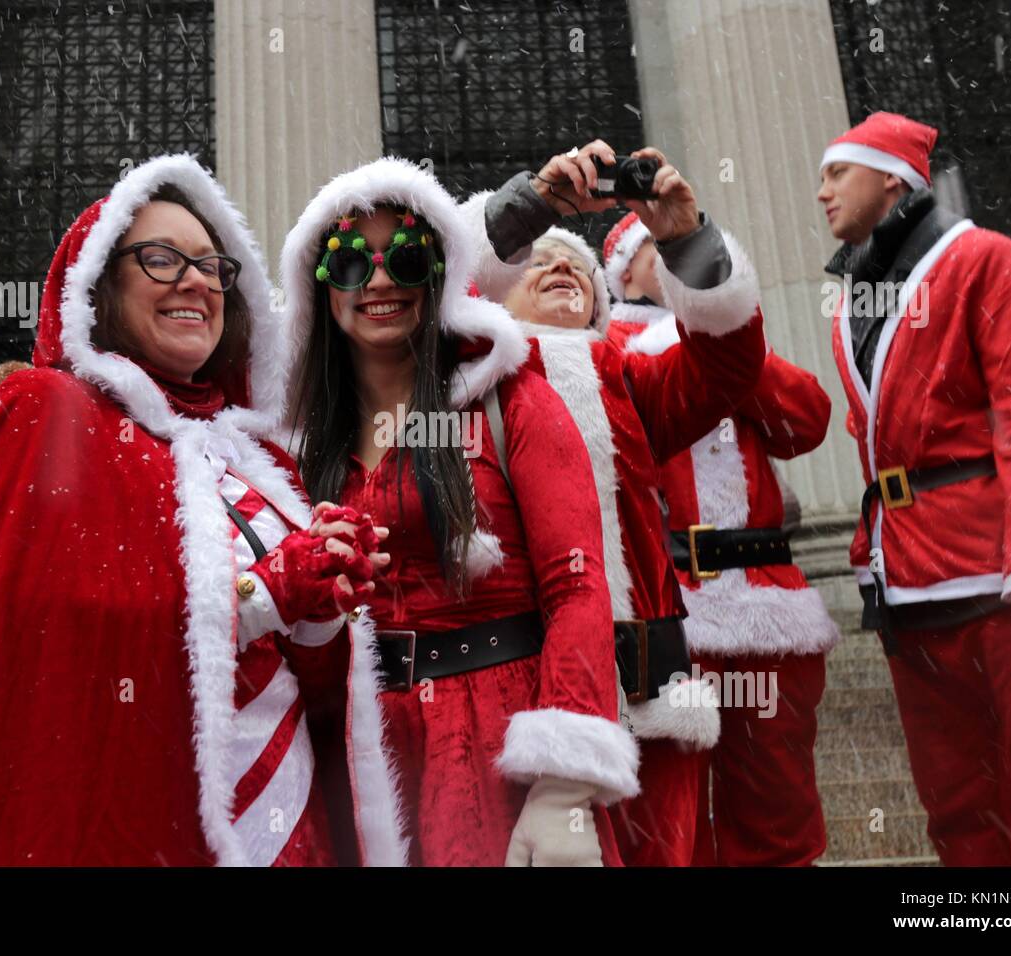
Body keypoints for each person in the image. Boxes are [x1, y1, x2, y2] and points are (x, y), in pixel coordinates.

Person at [0, 154, 405, 866]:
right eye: (163, 259)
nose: (196, 281)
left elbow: (296, 676)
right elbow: (58, 637)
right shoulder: (46, 411)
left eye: (212, 266)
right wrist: (265, 591)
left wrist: (324, 599)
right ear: (100, 287)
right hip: (131, 822)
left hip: (286, 825)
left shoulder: (261, 460)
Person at [281, 157, 640, 867]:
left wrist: (563, 785)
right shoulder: (294, 440)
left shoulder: (513, 401)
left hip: (494, 738)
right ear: (319, 287)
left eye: (408, 257)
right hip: (357, 751)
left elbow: (577, 584)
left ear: (439, 275)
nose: (380, 281)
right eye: (350, 263)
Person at [467, 143, 768, 866]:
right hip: (527, 711)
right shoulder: (463, 388)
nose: (560, 266)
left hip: (652, 696)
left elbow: (728, 363)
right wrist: (526, 209)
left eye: (573, 262)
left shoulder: (629, 382)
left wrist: (686, 243)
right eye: (535, 261)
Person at [817, 111, 1011, 865]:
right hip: (908, 588)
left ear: (894, 178)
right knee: (957, 807)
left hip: (999, 573)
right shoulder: (855, 294)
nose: (820, 191)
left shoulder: (989, 260)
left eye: (838, 172)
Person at [606, 211, 842, 866]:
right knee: (670, 819)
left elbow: (808, 422)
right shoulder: (608, 354)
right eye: (662, 247)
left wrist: (729, 351)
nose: (681, 258)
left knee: (779, 804)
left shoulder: (733, 344)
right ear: (625, 271)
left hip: (768, 603)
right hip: (670, 610)